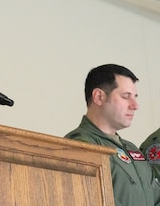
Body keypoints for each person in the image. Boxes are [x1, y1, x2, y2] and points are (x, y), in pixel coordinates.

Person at [64, 64, 160, 206]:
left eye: (135, 97)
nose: (135, 105)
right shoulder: (80, 145)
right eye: (126, 97)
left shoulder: (132, 149)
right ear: (99, 97)